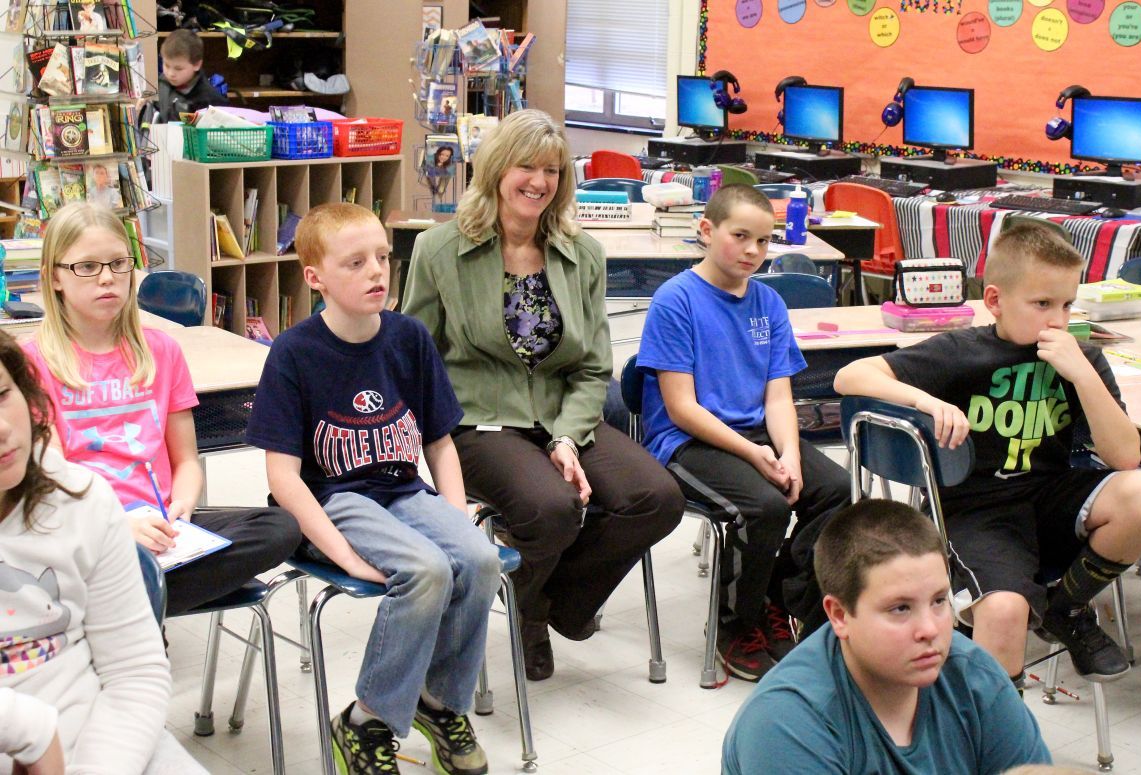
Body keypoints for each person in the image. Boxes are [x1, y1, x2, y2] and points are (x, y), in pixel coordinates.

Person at [402, 109, 684, 682]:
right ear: (498, 169)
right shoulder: (440, 249)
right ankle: (533, 612)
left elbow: (593, 365)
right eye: (526, 166)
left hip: (564, 414)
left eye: (552, 170)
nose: (539, 181)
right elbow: (415, 358)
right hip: (479, 421)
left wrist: (565, 438)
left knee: (656, 497)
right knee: (553, 510)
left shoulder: (582, 254)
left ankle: (549, 600)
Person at [834, 223, 1141, 686]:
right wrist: (927, 401)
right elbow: (850, 376)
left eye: (1067, 304)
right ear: (994, 301)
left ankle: (1065, 609)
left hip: (1049, 496)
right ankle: (998, 745)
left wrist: (1083, 375)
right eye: (1042, 304)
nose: (1058, 321)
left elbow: (1125, 457)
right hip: (975, 511)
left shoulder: (1080, 358)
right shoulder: (962, 352)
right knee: (1005, 611)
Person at [247, 202, 499, 775]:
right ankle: (365, 719)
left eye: (383, 258)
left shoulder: (408, 336)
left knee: (480, 558)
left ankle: (437, 704)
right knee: (428, 570)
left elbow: (439, 444)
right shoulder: (294, 353)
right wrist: (342, 556)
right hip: (335, 501)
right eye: (355, 262)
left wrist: (457, 519)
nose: (377, 273)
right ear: (315, 278)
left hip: (404, 490)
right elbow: (282, 477)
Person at [22, 202, 300, 617]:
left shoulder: (161, 351)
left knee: (280, 527)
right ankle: (132, 598)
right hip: (84, 527)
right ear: (54, 277)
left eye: (119, 263)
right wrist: (117, 529)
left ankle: (121, 600)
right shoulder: (33, 362)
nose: (107, 278)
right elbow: (49, 481)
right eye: (87, 267)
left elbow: (186, 459)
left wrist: (181, 509)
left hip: (160, 523)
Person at [636, 184, 849, 681]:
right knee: (765, 505)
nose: (754, 251)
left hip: (757, 431)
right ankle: (736, 624)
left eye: (765, 240)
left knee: (835, 491)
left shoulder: (769, 302)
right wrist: (756, 456)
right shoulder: (676, 300)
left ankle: (777, 593)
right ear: (707, 231)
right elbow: (682, 408)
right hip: (686, 441)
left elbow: (778, 397)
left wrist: (790, 454)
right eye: (741, 236)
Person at [0, 330, 207, 774]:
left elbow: (135, 672)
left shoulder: (81, 497)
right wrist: (27, 729)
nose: (2, 429)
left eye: (2, 395)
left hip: (107, 739)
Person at [722, 499, 1052, 774]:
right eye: (900, 609)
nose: (931, 629)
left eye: (939, 601)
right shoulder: (785, 723)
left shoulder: (975, 677)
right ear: (839, 615)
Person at [154, 29, 228, 124]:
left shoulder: (210, 100)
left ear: (196, 65)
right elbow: (159, 109)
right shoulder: (162, 82)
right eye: (166, 65)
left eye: (178, 68)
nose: (170, 73)